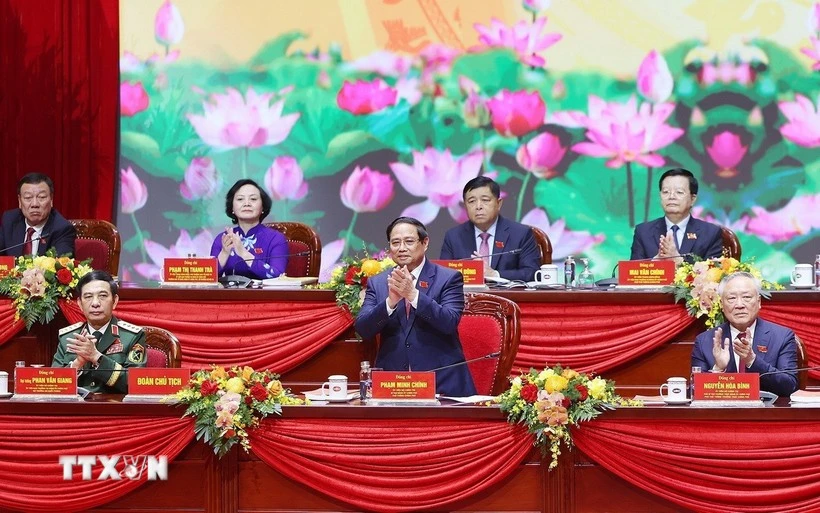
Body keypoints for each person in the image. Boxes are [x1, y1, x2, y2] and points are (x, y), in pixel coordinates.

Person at [355, 216, 477, 396]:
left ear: (425, 243)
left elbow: (449, 322)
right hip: (394, 385)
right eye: (395, 242)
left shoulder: (449, 278)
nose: (402, 248)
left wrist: (412, 295)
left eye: (409, 241)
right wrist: (390, 303)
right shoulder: (379, 283)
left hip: (442, 383)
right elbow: (363, 329)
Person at [691, 272, 798, 397]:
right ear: (722, 305)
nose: (739, 305)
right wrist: (718, 369)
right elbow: (695, 391)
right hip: (721, 415)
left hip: (766, 413)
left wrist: (752, 361)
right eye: (731, 298)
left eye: (746, 297)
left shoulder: (782, 337)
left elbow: (790, 385)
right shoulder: (704, 341)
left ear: (758, 302)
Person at [52, 270, 147, 393]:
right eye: (88, 297)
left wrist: (96, 357)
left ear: (115, 301)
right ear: (80, 304)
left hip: (115, 408)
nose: (95, 303)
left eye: (102, 296)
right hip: (76, 409)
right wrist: (78, 363)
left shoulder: (132, 336)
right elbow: (53, 384)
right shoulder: (67, 338)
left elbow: (135, 383)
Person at [440, 176, 540, 282]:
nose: (478, 206)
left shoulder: (521, 234)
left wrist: (494, 274)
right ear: (465, 206)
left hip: (508, 297)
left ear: (498, 203)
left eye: (485, 200)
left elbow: (532, 273)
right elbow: (443, 276)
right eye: (472, 201)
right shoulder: (453, 236)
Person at [630, 168, 722, 263]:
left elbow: (713, 275)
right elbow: (631, 274)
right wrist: (654, 262)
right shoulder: (643, 232)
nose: (671, 196)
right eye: (666, 192)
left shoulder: (710, 233)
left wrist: (678, 261)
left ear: (693, 199)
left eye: (679, 192)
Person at [209, 179, 288, 280]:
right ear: (232, 207)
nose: (247, 203)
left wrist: (244, 253)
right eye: (240, 199)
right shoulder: (222, 239)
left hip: (265, 295)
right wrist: (224, 253)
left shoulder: (276, 239)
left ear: (263, 207)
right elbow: (209, 279)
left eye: (253, 199)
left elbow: (278, 276)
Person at [0, 173, 76, 256]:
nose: (34, 204)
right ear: (19, 201)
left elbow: (60, 264)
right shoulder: (9, 221)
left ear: (51, 200)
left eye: (42, 197)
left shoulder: (62, 229)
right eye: (28, 198)